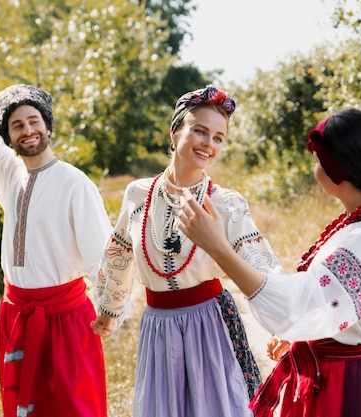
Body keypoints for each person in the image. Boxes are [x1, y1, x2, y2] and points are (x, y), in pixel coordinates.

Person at [179, 109, 361, 417]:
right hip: (336, 372)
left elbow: (293, 306)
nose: (315, 167)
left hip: (348, 386)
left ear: (336, 168)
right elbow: (326, 305)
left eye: (317, 159)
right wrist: (305, 337)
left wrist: (218, 247)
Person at [0, 31, 112, 417]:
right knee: (24, 408)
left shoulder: (74, 182)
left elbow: (103, 252)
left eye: (33, 121)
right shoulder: (9, 174)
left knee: (73, 408)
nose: (27, 130)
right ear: (9, 136)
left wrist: (111, 309)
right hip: (17, 314)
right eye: (17, 126)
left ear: (47, 126)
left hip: (66, 319)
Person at [90, 85, 284, 417]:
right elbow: (119, 252)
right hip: (158, 326)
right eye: (200, 131)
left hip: (209, 325)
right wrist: (109, 308)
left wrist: (282, 326)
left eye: (219, 137)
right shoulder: (138, 194)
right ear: (176, 130)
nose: (209, 143)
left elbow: (263, 265)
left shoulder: (225, 203)